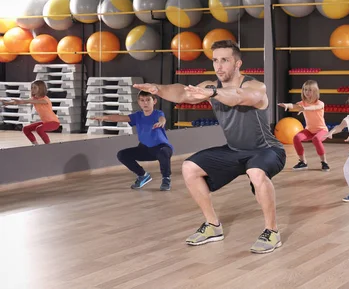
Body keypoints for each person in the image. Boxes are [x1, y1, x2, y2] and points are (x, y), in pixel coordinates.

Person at [134, 39, 286, 254]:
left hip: (267, 149)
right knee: (189, 168)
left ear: (238, 64)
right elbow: (182, 93)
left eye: (225, 60)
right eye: (215, 60)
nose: (219, 66)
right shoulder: (210, 87)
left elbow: (239, 97)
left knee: (256, 170)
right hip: (234, 150)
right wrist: (158, 89)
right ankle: (213, 226)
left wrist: (213, 93)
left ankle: (272, 231)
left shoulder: (254, 86)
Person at [90, 90, 173, 191]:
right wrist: (105, 117)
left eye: (148, 100)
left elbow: (162, 118)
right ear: (138, 102)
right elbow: (120, 118)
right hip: (145, 149)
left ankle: (166, 179)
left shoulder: (158, 113)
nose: (145, 103)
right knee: (122, 154)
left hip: (161, 148)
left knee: (163, 152)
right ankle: (143, 175)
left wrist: (161, 122)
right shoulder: (137, 116)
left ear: (154, 101)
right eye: (142, 100)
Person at [278, 80, 330, 171]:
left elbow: (315, 107)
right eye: (305, 90)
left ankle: (324, 162)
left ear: (315, 92)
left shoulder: (320, 103)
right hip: (309, 130)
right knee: (296, 138)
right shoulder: (303, 103)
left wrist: (305, 108)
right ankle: (303, 162)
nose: (307, 92)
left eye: (310, 90)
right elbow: (294, 106)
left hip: (322, 131)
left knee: (316, 139)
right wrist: (286, 105)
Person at [1, 80, 60, 145]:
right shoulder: (34, 99)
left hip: (54, 123)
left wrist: (22, 101)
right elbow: (21, 102)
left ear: (41, 89)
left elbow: (30, 101)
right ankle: (35, 145)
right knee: (26, 129)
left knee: (39, 129)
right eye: (32, 87)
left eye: (35, 88)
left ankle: (48, 145)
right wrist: (7, 103)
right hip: (46, 122)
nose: (32, 89)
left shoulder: (45, 99)